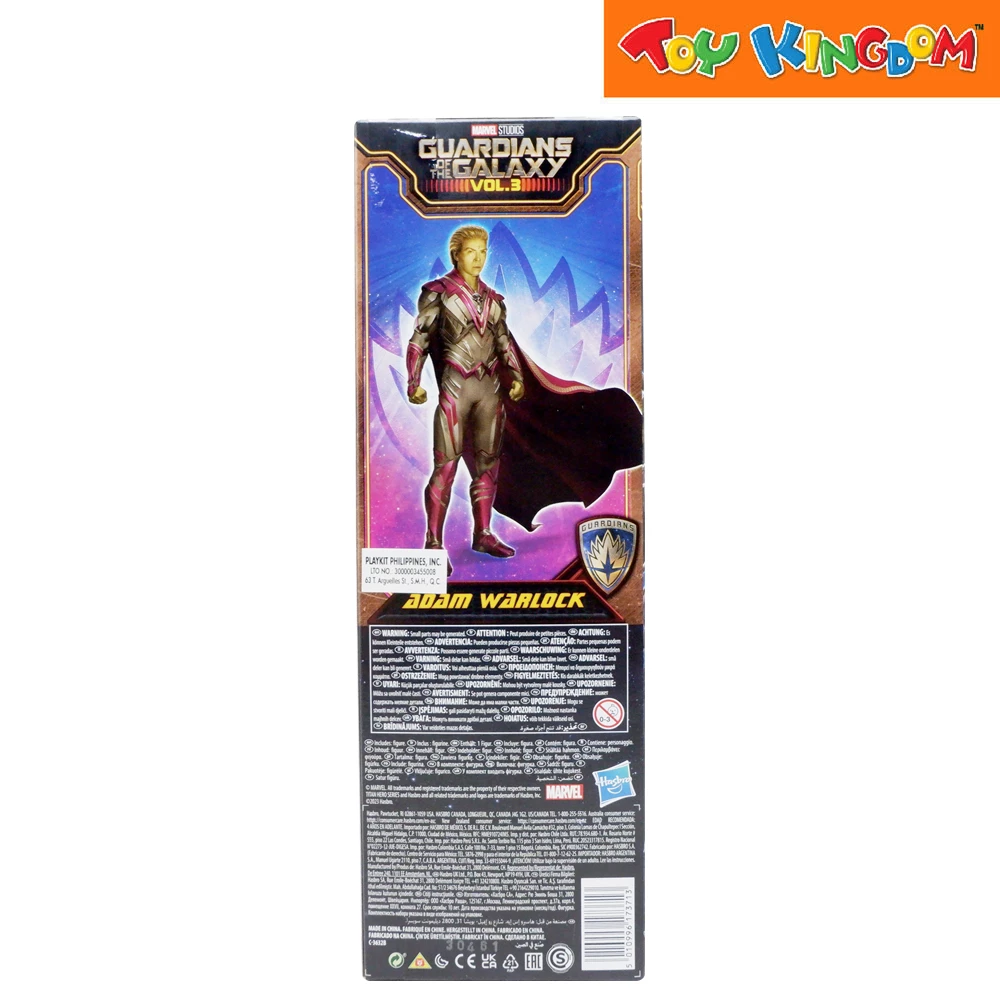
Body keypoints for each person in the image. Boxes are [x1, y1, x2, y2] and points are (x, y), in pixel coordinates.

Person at [406, 225, 522, 560]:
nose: (478, 258)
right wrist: (414, 382)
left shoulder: (494, 300)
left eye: (483, 252)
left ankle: (483, 534)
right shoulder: (438, 292)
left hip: (490, 390)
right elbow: (419, 340)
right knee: (446, 465)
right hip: (455, 390)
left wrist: (517, 376)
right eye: (471, 251)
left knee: (488, 464)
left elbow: (504, 342)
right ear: (456, 254)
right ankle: (433, 543)